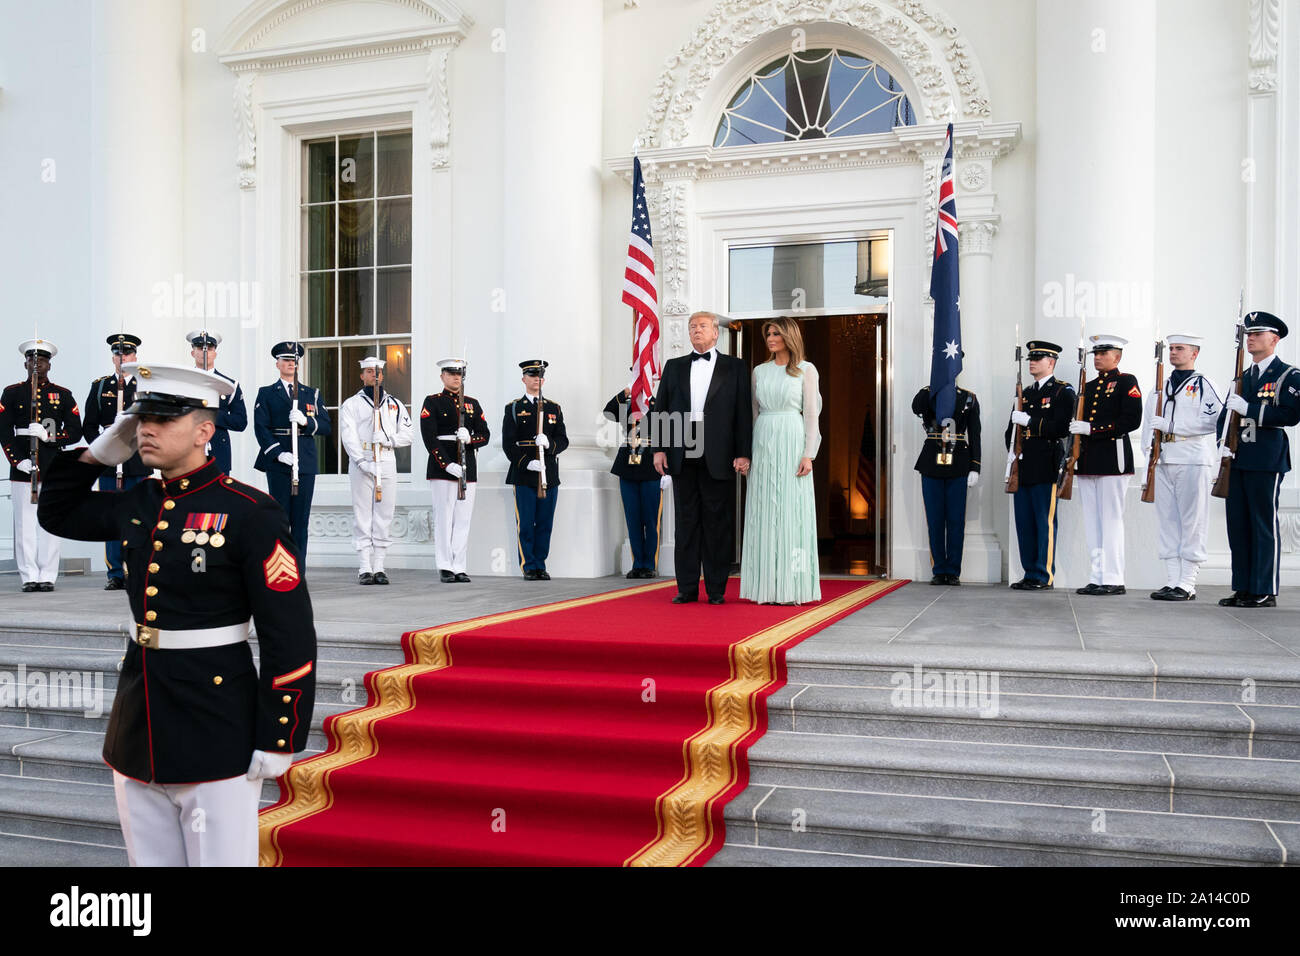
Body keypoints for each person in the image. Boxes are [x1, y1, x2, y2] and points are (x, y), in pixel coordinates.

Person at [37, 363, 316, 867]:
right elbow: (55, 513)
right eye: (141, 418)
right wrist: (101, 450)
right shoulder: (140, 500)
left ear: (205, 431)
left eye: (163, 419)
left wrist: (281, 732)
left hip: (217, 725)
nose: (146, 429)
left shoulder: (251, 512)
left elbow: (289, 632)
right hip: (138, 724)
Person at [652, 311, 752, 605]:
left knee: (717, 523)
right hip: (682, 451)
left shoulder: (734, 367)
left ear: (715, 332)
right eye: (692, 326)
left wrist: (743, 452)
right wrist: (659, 449)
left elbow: (743, 413)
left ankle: (717, 589)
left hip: (719, 454)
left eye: (702, 326)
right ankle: (686, 588)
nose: (696, 330)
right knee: (686, 522)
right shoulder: (674, 367)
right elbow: (662, 411)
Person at [1217, 310, 1300, 608]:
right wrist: (1222, 444)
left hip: (1266, 459)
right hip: (1237, 459)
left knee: (1262, 524)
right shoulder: (1242, 377)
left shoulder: (1288, 375)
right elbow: (1226, 416)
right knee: (1237, 525)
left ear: (1274, 339)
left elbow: (1291, 415)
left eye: (1257, 334)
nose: (1250, 338)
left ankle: (1264, 589)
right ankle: (1243, 586)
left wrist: (1251, 409)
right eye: (1248, 334)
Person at [739, 317, 821, 604]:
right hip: (763, 440)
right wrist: (747, 453)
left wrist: (809, 453)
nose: (771, 338)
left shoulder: (806, 370)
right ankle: (765, 586)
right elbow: (752, 414)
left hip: (792, 440)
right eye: (769, 334)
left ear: (790, 336)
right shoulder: (759, 371)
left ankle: (793, 584)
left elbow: (811, 413)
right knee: (763, 512)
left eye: (776, 333)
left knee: (792, 513)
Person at [1141, 333, 1223, 601]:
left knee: (1192, 521)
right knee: (1167, 522)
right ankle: (1172, 579)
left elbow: (1215, 421)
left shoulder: (1202, 383)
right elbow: (1148, 426)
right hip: (1163, 458)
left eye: (1180, 348)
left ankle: (1187, 582)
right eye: (1172, 348)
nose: (1174, 352)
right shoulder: (1158, 386)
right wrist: (1148, 460)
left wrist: (1175, 427)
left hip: (1191, 457)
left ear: (1194, 353)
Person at [0, 338, 83, 592]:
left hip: (52, 464)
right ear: (25, 362)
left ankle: (47, 574)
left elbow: (76, 431)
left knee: (50, 522)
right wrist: (18, 460)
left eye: (42, 360)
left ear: (50, 364)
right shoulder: (12, 392)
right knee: (24, 525)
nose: (37, 364)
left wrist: (51, 437)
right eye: (32, 360)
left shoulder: (63, 395)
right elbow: (5, 432)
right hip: (23, 464)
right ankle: (28, 576)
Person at [1068, 334, 1142, 596]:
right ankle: (1097, 575)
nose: (1098, 357)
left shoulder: (1126, 382)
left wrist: (1092, 428)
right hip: (1088, 460)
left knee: (1111, 520)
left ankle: (1113, 577)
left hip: (1113, 458)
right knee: (1092, 521)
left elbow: (1131, 420)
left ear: (1117, 356)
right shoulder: (1087, 387)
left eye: (1103, 353)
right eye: (1095, 354)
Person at [1005, 340, 1074, 590]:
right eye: (1031, 358)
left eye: (1038, 358)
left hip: (1046, 463)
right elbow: (1011, 429)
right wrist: (1012, 453)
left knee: (1044, 521)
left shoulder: (1062, 392)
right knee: (1024, 522)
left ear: (1051, 362)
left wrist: (1031, 421)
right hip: (1023, 464)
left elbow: (1062, 426)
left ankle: (1043, 575)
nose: (1032, 362)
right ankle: (1029, 573)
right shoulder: (1026, 393)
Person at [253, 342, 331, 560]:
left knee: (301, 520)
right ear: (277, 363)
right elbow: (261, 428)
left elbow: (325, 426)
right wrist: (278, 453)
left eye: (294, 361)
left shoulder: (311, 394)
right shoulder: (267, 393)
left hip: (304, 459)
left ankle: (298, 571)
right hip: (279, 462)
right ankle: (279, 568)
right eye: (286, 360)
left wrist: (306, 421)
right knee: (279, 519)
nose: (290, 364)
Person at [84, 333, 150, 590]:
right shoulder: (100, 386)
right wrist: (103, 440)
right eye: (117, 354)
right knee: (111, 517)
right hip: (110, 460)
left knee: (139, 516)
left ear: (135, 356)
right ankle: (115, 571)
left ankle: (138, 567)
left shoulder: (145, 385)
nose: (122, 358)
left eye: (127, 353)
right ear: (113, 357)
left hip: (136, 459)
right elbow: (88, 425)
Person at [340, 357, 413, 585]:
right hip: (362, 458)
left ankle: (380, 565)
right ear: (362, 375)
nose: (373, 375)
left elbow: (408, 435)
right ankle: (364, 566)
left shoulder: (395, 404)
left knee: (384, 513)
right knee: (363, 514)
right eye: (369, 372)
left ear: (382, 376)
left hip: (386, 457)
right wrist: (361, 462)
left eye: (377, 372)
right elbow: (348, 435)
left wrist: (389, 439)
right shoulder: (351, 404)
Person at [421, 358, 490, 583]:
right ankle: (444, 565)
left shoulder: (472, 403)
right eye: (451, 374)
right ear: (442, 376)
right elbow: (429, 437)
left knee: (463, 519)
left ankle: (459, 565)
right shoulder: (433, 402)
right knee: (444, 518)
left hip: (467, 467)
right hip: (443, 468)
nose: (456, 377)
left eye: (459, 374)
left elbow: (485, 435)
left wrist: (470, 439)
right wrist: (446, 463)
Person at [502, 360, 568, 580]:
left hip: (548, 472)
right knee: (526, 522)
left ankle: (541, 564)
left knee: (545, 522)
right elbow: (508, 443)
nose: (536, 379)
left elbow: (563, 439)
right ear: (524, 379)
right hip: (524, 473)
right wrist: (526, 462)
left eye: (539, 375)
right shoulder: (513, 408)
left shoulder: (553, 408)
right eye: (532, 376)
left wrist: (549, 443)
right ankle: (528, 565)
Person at [912, 377, 981, 585]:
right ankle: (939, 568)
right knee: (934, 520)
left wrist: (975, 466)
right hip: (931, 462)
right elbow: (916, 407)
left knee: (955, 520)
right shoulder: (928, 393)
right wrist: (934, 389)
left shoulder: (968, 397)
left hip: (958, 462)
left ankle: (952, 570)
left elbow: (975, 434)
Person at [604, 382, 666, 579]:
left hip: (651, 463)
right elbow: (608, 412)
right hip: (628, 464)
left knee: (650, 518)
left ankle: (649, 564)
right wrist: (625, 393)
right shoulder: (628, 404)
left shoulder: (659, 403)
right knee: (633, 519)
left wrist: (668, 470)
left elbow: (670, 435)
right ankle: (637, 563)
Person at [187, 330, 246, 476]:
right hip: (189, 449)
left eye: (210, 348)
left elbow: (240, 422)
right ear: (193, 353)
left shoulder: (229, 385)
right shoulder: (184, 381)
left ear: (215, 353)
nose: (205, 352)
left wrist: (212, 413)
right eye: (200, 348)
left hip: (218, 451)